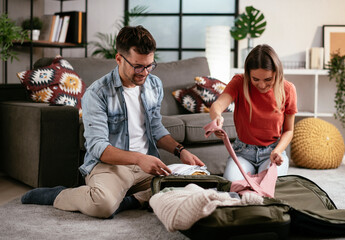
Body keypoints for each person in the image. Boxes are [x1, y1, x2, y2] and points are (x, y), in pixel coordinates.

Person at [21, 25, 204, 219]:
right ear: (119, 59)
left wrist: (180, 151)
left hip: (146, 167)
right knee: (103, 205)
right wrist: (139, 158)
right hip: (110, 166)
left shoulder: (153, 84)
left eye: (149, 65)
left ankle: (130, 201)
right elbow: (98, 146)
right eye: (138, 66)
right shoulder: (97, 93)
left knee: (198, 183)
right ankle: (58, 194)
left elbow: (156, 128)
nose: (144, 72)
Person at [209, 44, 297, 181]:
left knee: (268, 186)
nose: (261, 85)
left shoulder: (288, 89)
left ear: (277, 73)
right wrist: (216, 118)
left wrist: (278, 151)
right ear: (248, 73)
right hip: (243, 153)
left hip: (272, 151)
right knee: (232, 186)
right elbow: (217, 105)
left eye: (268, 79)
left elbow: (289, 130)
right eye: (255, 79)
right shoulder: (239, 82)